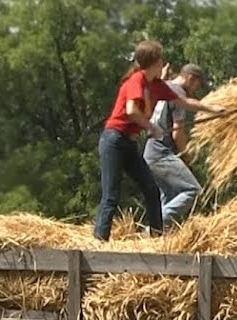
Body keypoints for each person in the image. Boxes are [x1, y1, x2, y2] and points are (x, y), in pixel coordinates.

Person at [94, 41, 226, 240]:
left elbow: (184, 102)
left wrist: (214, 110)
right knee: (111, 195)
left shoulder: (156, 85)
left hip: (129, 144)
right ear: (153, 63)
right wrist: (151, 127)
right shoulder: (136, 81)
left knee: (152, 190)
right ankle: (99, 241)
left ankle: (155, 238)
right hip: (113, 140)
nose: (163, 63)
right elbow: (131, 111)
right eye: (160, 59)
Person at [143, 63, 210, 228]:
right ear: (190, 78)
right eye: (197, 85)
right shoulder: (179, 94)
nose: (195, 90)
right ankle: (155, 227)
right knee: (192, 190)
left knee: (169, 195)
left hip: (150, 151)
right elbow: (177, 133)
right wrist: (186, 156)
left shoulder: (165, 87)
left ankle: (157, 237)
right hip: (161, 152)